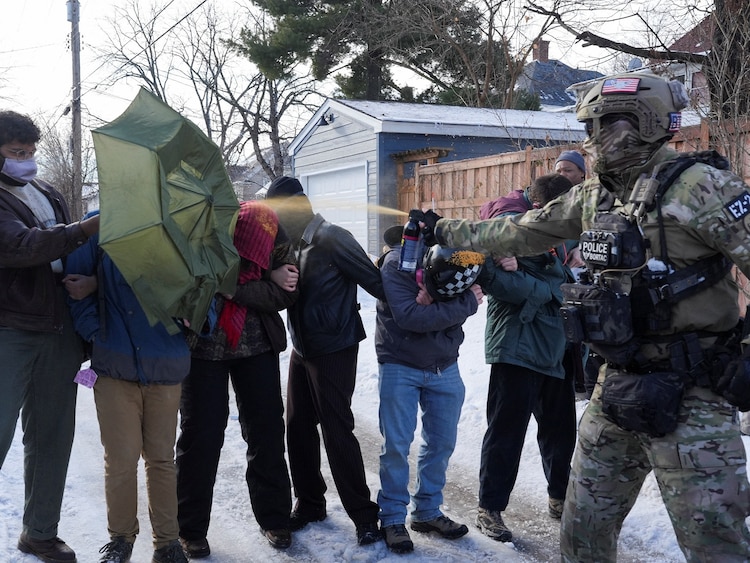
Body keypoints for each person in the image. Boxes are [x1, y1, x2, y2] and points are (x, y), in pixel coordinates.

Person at [433, 70, 750, 561]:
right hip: (616, 388)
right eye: (591, 126)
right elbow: (520, 232)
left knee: (716, 545)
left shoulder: (701, 187)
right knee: (582, 533)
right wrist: (445, 230)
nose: (595, 137)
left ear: (643, 122)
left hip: (696, 393)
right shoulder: (595, 194)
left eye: (605, 123)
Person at [0, 110, 99, 563]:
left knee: (53, 435)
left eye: (30, 151)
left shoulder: (47, 192)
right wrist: (85, 227)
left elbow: (71, 252)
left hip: (59, 328)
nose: (26, 160)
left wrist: (90, 285)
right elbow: (22, 247)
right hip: (10, 330)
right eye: (16, 152)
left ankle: (40, 532)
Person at [264, 176, 385, 546]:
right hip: (302, 349)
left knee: (336, 429)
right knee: (297, 426)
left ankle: (364, 516)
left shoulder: (333, 238)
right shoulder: (290, 243)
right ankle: (310, 503)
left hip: (335, 347)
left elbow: (376, 282)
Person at [65, 209, 190, 563]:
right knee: (121, 459)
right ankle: (121, 539)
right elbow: (75, 289)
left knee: (161, 459)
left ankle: (167, 543)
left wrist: (196, 316)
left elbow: (204, 292)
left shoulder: (177, 229)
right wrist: (97, 335)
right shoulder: (98, 225)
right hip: (115, 366)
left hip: (165, 362)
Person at [176, 201, 298, 557]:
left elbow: (288, 290)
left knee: (266, 433)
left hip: (256, 347)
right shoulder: (187, 226)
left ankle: (275, 518)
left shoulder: (264, 223)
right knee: (199, 438)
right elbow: (175, 289)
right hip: (202, 350)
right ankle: (190, 528)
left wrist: (235, 289)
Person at [474, 174, 577, 543]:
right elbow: (495, 280)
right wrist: (552, 291)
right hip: (517, 345)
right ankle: (489, 508)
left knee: (561, 430)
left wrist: (555, 285)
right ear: (541, 207)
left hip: (554, 345)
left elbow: (565, 278)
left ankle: (560, 498)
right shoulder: (508, 230)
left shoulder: (558, 231)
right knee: (506, 432)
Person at [375, 224, 484, 554]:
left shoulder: (456, 258)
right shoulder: (396, 264)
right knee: (396, 445)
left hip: (444, 365)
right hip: (401, 364)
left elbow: (477, 288)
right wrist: (463, 303)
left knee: (441, 443)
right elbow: (411, 317)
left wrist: (437, 301)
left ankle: (427, 512)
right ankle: (392, 518)